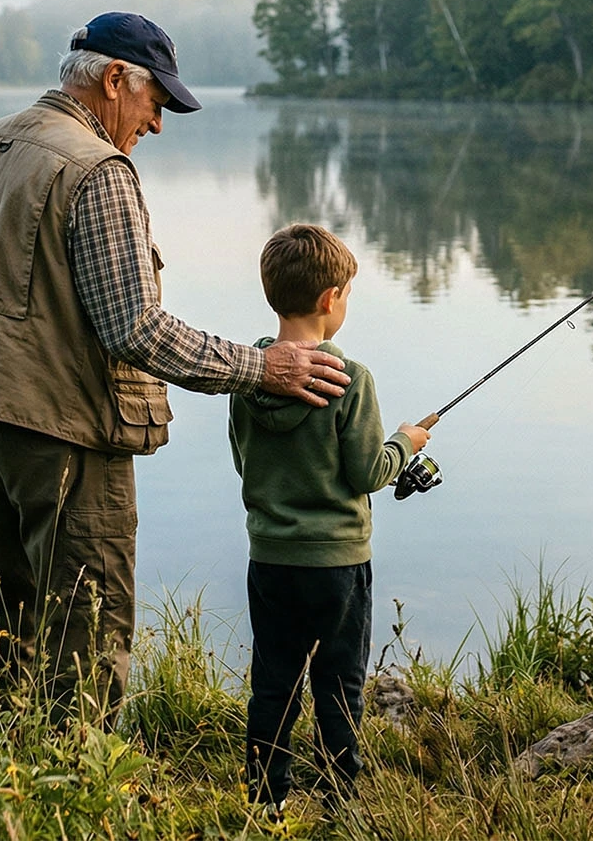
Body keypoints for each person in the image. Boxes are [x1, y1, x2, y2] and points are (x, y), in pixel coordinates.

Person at [0, 12, 352, 718]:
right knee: (87, 635)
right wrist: (264, 368)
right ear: (114, 79)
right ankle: (76, 801)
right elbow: (135, 328)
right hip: (63, 435)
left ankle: (0, 791)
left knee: (6, 629)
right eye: (156, 103)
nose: (156, 125)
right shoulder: (99, 170)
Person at [228, 223, 432, 812]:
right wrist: (405, 441)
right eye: (347, 295)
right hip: (339, 565)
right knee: (339, 686)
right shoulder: (352, 379)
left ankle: (266, 802)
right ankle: (340, 802)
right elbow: (370, 472)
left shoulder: (245, 378)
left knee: (274, 684)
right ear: (329, 300)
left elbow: (244, 461)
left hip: (270, 559)